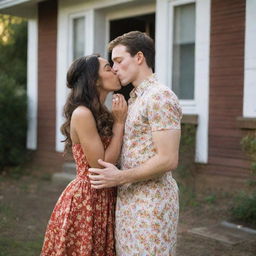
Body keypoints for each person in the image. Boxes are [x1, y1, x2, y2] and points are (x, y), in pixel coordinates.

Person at [89, 31, 182, 256]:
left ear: (139, 58)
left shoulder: (160, 97)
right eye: (112, 64)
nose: (115, 68)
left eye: (119, 61)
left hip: (152, 203)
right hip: (128, 201)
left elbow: (168, 159)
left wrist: (119, 177)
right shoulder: (136, 98)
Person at [41, 54, 127, 256]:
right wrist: (120, 123)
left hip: (103, 196)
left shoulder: (102, 111)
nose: (114, 69)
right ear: (95, 80)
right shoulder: (83, 113)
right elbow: (101, 165)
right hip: (87, 200)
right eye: (108, 68)